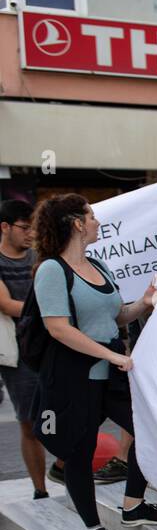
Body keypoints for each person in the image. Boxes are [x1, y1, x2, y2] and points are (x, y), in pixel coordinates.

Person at [29, 195, 157, 530]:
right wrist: (112, 354)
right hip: (74, 376)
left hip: (110, 372)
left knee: (147, 432)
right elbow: (59, 329)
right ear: (77, 223)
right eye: (92, 216)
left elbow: (115, 316)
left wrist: (144, 301)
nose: (97, 222)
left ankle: (132, 505)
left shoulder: (99, 265)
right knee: (80, 453)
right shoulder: (51, 270)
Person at [0, 199, 53, 499]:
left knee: (64, 413)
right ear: (4, 227)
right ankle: (40, 489)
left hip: (50, 347)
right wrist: (49, 310)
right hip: (17, 355)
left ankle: (65, 472)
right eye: (24, 227)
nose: (30, 233)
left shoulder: (39, 258)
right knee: (29, 422)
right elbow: (6, 305)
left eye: (33, 227)